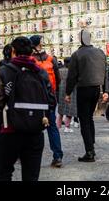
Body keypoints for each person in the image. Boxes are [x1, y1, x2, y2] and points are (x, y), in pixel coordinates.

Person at [0, 36, 48, 181]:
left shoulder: (5, 71)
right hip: (35, 130)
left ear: (13, 51)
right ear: (31, 52)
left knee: (4, 174)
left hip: (10, 130)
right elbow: (51, 100)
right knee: (31, 177)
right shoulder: (40, 72)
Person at [65, 29, 108, 162]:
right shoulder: (100, 52)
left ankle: (89, 152)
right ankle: (91, 145)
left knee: (84, 120)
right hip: (96, 90)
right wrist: (106, 90)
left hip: (83, 89)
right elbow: (105, 73)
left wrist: (68, 92)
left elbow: (72, 76)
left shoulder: (77, 54)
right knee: (89, 118)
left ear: (81, 39)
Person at [29, 35, 63, 168]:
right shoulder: (51, 59)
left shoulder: (30, 60)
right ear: (41, 45)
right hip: (50, 98)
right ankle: (58, 156)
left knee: (32, 128)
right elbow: (58, 79)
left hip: (34, 98)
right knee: (52, 127)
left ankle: (29, 157)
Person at [56, 57, 77, 133]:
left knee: (61, 110)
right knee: (70, 110)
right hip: (70, 91)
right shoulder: (72, 71)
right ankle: (67, 127)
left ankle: (57, 126)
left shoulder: (59, 70)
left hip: (61, 91)